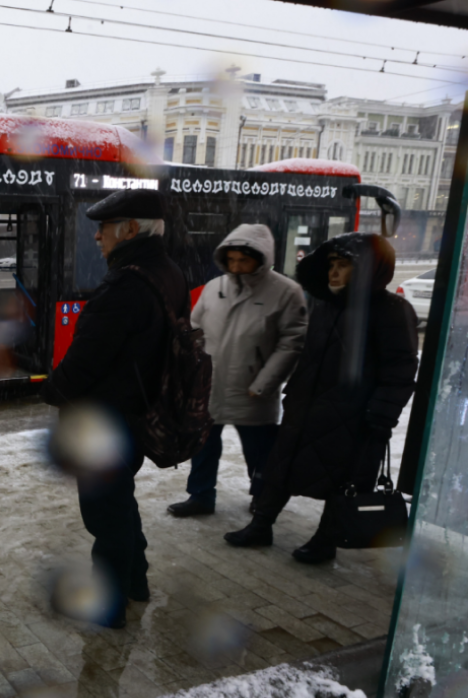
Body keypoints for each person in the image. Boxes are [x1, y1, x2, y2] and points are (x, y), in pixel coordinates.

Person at [42, 189, 188, 628]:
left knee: (106, 516)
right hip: (137, 411)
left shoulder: (125, 284)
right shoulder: (168, 272)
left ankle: (108, 606)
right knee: (120, 503)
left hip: (107, 418)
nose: (97, 238)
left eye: (103, 229)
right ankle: (136, 582)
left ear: (128, 230)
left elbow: (87, 359)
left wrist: (52, 389)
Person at [224, 232, 418, 563]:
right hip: (306, 406)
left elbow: (400, 370)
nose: (334, 273)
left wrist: (382, 415)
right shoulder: (325, 303)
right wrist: (294, 391)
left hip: (354, 415)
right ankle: (261, 525)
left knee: (345, 480)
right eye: (331, 265)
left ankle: (327, 540)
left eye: (344, 266)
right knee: (280, 467)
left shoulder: (391, 310)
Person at [167, 224, 308, 517]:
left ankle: (262, 498)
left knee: (259, 453)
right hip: (211, 386)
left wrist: (265, 383)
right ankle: (201, 496)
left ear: (262, 258)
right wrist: (190, 370)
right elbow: (195, 329)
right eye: (231, 259)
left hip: (253, 389)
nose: (236, 266)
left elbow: (292, 343)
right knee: (203, 447)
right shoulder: (214, 288)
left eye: (243, 260)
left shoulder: (286, 292)